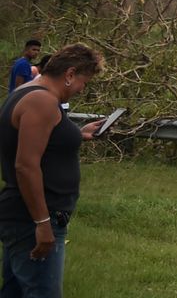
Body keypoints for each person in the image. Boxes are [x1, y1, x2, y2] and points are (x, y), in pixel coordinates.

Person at [0, 43, 107, 298]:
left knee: (15, 291)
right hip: (33, 217)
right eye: (84, 81)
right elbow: (26, 166)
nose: (82, 89)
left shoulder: (31, 92)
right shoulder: (42, 101)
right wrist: (42, 223)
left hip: (24, 215)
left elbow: (41, 143)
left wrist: (78, 134)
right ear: (69, 74)